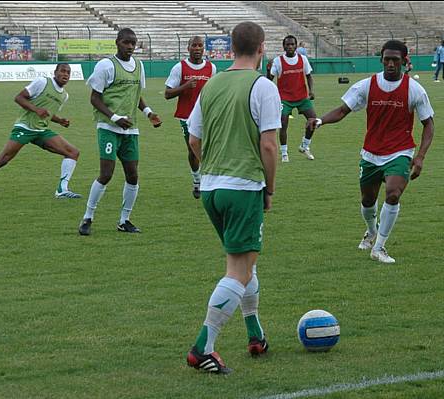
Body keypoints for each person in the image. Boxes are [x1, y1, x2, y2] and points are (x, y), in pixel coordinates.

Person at [185, 21, 280, 374]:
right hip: (243, 187)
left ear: (230, 47)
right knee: (238, 271)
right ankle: (202, 348)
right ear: (262, 47)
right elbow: (269, 145)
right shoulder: (263, 86)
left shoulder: (211, 84)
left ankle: (255, 334)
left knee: (242, 263)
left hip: (211, 187)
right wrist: (268, 189)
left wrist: (212, 164)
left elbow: (194, 139)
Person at [307, 40, 434, 264]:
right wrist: (320, 120)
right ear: (381, 60)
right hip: (371, 153)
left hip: (400, 151)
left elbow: (429, 124)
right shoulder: (367, 85)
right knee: (368, 201)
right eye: (387, 59)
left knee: (393, 193)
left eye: (396, 60)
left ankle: (379, 247)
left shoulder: (414, 89)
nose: (391, 64)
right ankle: (371, 230)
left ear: (405, 61)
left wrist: (420, 156)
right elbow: (343, 110)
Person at [78, 28, 162, 236]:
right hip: (108, 128)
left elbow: (136, 95)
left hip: (130, 130)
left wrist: (149, 113)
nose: (131, 47)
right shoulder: (106, 65)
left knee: (133, 175)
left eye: (133, 43)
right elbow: (94, 98)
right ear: (117, 42)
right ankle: (88, 217)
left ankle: (124, 220)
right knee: (106, 174)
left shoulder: (139, 66)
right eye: (126, 42)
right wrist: (115, 118)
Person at [0, 63, 82, 200]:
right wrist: (36, 109)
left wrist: (60, 120)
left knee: (73, 152)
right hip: (24, 127)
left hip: (41, 130)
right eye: (62, 71)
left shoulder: (64, 96)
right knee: (4, 159)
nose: (65, 75)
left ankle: (62, 190)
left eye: (68, 72)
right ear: (55, 72)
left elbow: (47, 113)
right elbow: (19, 97)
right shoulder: (42, 82)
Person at [164, 36, 217, 199]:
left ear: (203, 49)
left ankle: (210, 178)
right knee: (193, 149)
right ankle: (197, 180)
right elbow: (167, 93)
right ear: (188, 48)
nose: (197, 48)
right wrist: (185, 86)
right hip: (186, 116)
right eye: (194, 45)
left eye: (200, 46)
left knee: (212, 147)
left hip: (207, 115)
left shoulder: (211, 68)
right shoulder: (179, 67)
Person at [267, 35, 317, 162]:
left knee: (313, 120)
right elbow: (269, 80)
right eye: (287, 44)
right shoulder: (278, 61)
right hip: (284, 99)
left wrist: (311, 91)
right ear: (283, 46)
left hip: (301, 97)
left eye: (292, 44)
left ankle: (304, 146)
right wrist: (268, 70)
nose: (290, 47)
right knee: (283, 124)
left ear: (296, 46)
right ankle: (284, 153)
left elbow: (309, 76)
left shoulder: (303, 59)